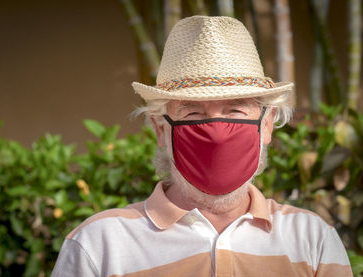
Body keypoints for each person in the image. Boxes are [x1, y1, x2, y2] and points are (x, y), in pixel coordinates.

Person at [52, 16, 352, 276]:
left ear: (267, 124)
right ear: (160, 129)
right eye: (193, 112)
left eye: (235, 111)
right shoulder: (98, 244)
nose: (217, 134)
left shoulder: (313, 239)